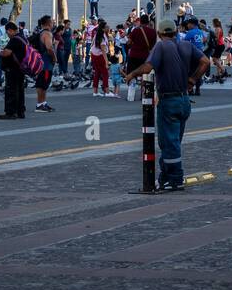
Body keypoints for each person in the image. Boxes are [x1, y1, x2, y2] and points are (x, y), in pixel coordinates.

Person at [125, 20, 209, 190]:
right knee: (174, 141)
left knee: (169, 142)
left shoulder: (161, 46)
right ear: (176, 31)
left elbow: (148, 68)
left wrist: (131, 74)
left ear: (159, 33)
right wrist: (192, 79)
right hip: (185, 100)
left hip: (169, 100)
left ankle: (175, 179)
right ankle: (165, 177)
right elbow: (206, 62)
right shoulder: (186, 45)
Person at [0, 21, 29, 120]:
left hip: (12, 68)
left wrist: (1, 53)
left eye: (7, 32)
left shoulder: (14, 39)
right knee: (20, 89)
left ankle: (11, 112)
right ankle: (20, 111)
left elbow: (7, 53)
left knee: (11, 90)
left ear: (10, 30)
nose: (7, 34)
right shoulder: (23, 38)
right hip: (21, 68)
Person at [31, 15, 57, 112]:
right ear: (48, 23)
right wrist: (54, 58)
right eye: (52, 22)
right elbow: (49, 48)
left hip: (41, 62)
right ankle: (39, 105)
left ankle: (43, 103)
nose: (53, 23)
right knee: (42, 84)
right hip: (46, 63)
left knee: (43, 84)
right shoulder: (47, 34)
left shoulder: (41, 32)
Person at [89, 20, 111, 96]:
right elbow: (103, 51)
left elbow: (92, 44)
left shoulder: (97, 35)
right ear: (103, 29)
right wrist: (106, 62)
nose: (108, 27)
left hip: (94, 54)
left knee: (97, 73)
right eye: (106, 26)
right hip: (99, 55)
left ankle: (95, 91)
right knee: (105, 73)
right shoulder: (102, 37)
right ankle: (107, 91)